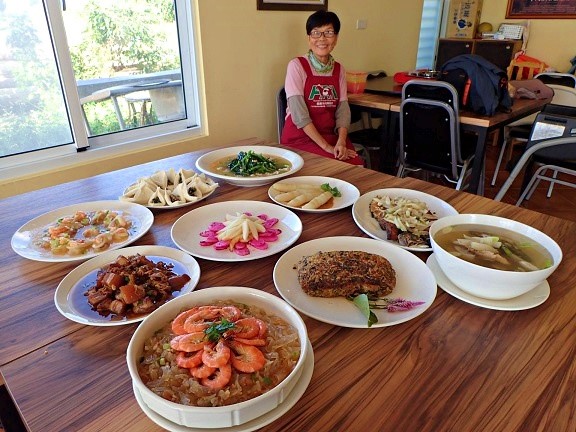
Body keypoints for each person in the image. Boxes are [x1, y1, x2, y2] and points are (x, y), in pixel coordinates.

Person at [280, 10, 364, 166]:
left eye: (329, 32)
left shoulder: (339, 69)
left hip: (330, 136)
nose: (322, 39)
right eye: (316, 33)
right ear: (309, 38)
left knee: (358, 166)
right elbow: (299, 115)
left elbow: (343, 109)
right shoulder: (296, 66)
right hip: (300, 139)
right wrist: (327, 147)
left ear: (336, 37)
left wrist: (341, 141)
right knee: (337, 168)